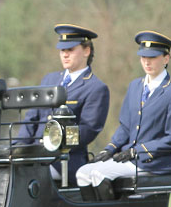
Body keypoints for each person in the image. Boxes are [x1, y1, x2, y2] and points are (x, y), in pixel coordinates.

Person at [75, 30, 171, 200]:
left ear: (166, 58)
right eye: (143, 57)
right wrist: (110, 148)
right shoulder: (135, 86)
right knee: (83, 173)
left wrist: (136, 151)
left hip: (155, 162)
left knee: (98, 173)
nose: (147, 62)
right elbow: (126, 126)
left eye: (153, 57)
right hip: (129, 158)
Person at [13, 24, 110, 186]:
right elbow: (32, 117)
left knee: (24, 178)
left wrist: (53, 143)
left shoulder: (96, 88)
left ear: (86, 51)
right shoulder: (49, 80)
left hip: (64, 160)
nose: (65, 55)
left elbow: (88, 130)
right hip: (34, 155)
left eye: (70, 50)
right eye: (62, 50)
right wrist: (18, 148)